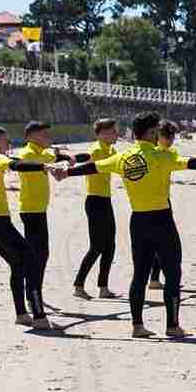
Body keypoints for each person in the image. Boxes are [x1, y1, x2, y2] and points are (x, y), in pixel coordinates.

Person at [60, 111, 196, 339]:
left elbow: (93, 167)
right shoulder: (161, 156)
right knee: (172, 272)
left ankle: (137, 326)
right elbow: (193, 163)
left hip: (138, 221)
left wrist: (65, 172)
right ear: (152, 132)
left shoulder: (122, 157)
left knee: (140, 274)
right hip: (162, 220)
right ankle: (172, 326)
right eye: (157, 131)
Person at [0, 125, 67, 328]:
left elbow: (13, 161)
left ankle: (22, 314)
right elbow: (14, 165)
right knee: (31, 261)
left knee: (18, 265)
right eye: (5, 141)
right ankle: (39, 317)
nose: (8, 144)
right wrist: (43, 167)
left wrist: (48, 161)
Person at [14, 121, 73, 318]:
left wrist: (67, 157)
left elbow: (55, 156)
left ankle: (34, 291)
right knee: (36, 257)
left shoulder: (42, 151)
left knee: (41, 255)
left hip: (40, 210)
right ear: (31, 136)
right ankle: (32, 295)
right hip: (30, 210)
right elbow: (24, 165)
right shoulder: (27, 153)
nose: (48, 137)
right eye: (44, 134)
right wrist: (48, 166)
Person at [71, 117, 122, 300]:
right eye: (114, 131)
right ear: (102, 133)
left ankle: (103, 287)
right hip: (94, 201)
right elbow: (84, 162)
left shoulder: (111, 150)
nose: (117, 134)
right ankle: (78, 285)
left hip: (106, 200)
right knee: (97, 246)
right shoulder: (96, 150)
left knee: (110, 246)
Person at [146, 120, 180, 291]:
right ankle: (154, 278)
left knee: (160, 243)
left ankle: (155, 278)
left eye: (172, 136)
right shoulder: (155, 153)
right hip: (153, 203)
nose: (170, 139)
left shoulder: (170, 152)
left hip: (164, 199)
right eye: (167, 136)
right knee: (161, 243)